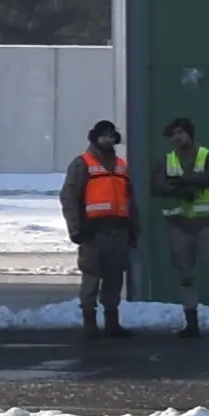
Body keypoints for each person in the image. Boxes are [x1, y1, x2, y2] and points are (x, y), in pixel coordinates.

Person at [149, 116, 209, 332]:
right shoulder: (166, 160)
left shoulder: (208, 156)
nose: (177, 138)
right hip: (180, 225)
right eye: (174, 134)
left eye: (181, 132)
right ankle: (191, 324)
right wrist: (178, 190)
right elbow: (156, 186)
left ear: (190, 133)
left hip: (207, 223)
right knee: (185, 275)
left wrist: (188, 182)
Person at [60, 118, 141, 340]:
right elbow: (69, 197)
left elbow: (130, 199)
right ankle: (90, 322)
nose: (107, 139)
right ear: (95, 138)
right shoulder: (82, 164)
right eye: (103, 135)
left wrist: (134, 228)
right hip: (92, 232)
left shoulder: (121, 166)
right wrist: (76, 228)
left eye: (111, 135)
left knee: (115, 278)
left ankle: (112, 322)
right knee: (92, 276)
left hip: (119, 230)